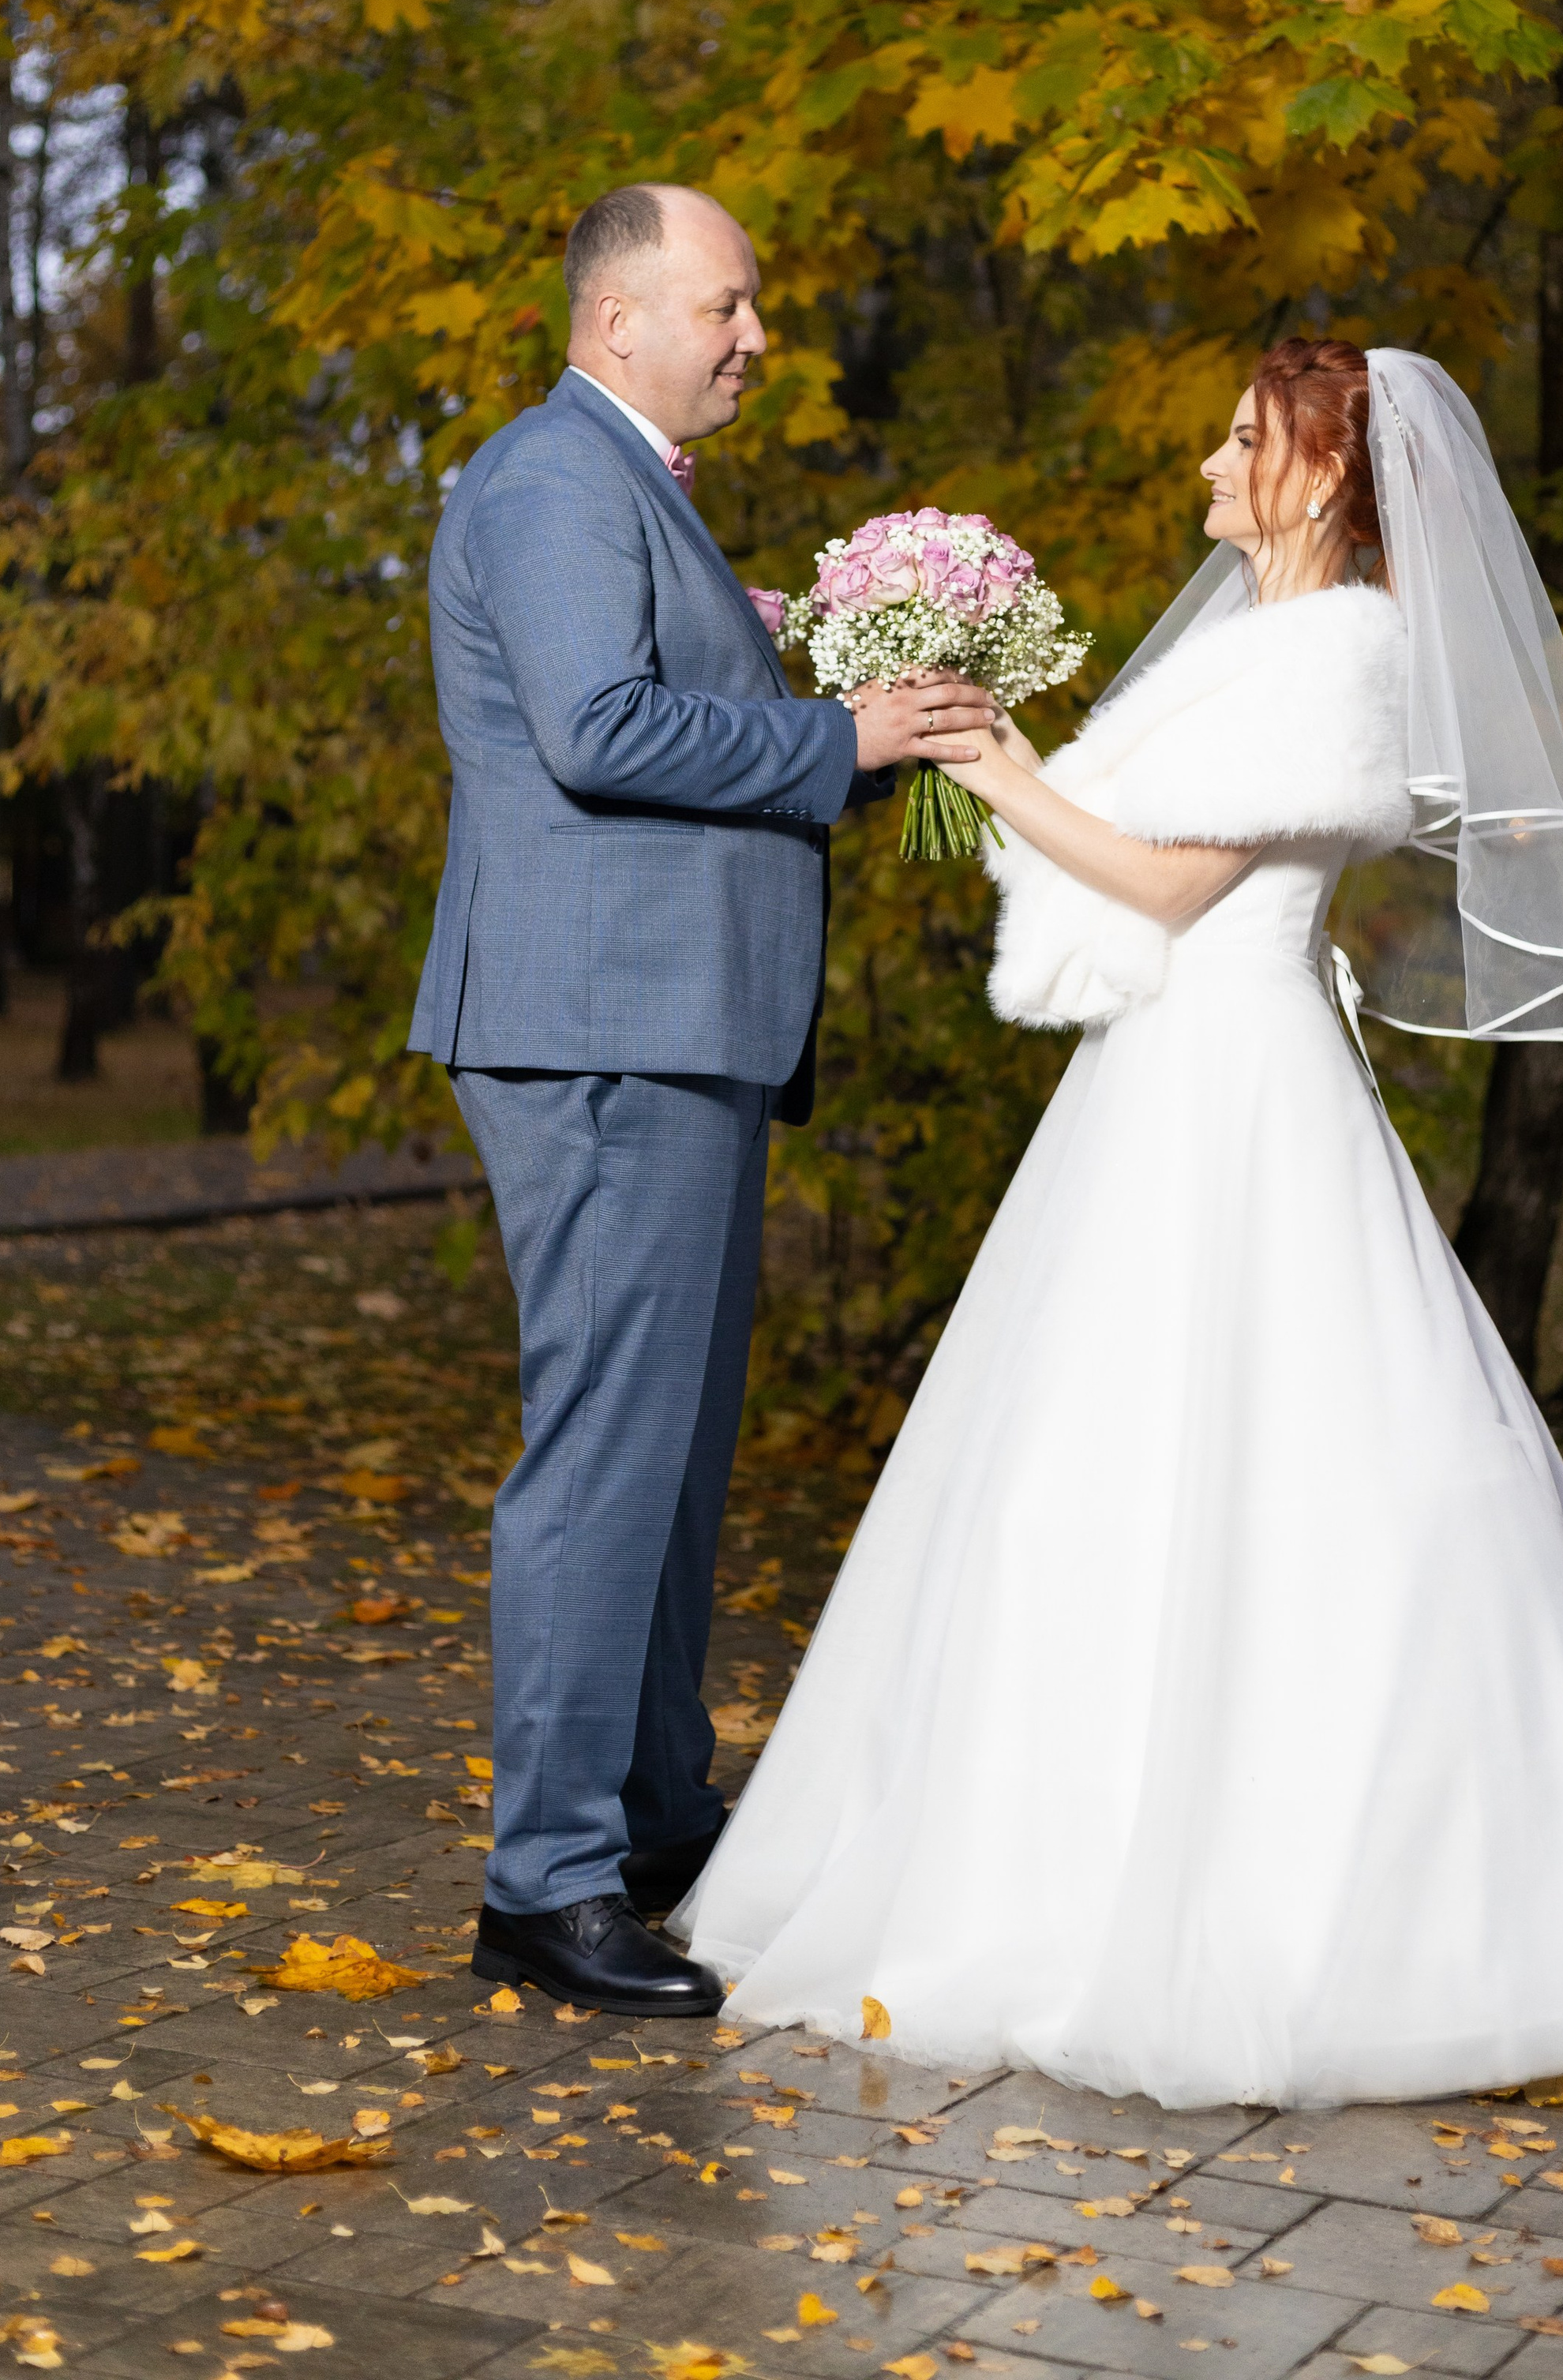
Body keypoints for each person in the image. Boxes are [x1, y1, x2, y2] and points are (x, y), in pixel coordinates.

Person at [675, 336, 1563, 2108]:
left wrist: (984, 756)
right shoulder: (1254, 642)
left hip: (1233, 1082)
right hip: (1165, 1075)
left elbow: (1172, 877)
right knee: (1085, 1464)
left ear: (1318, 477)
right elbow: (1134, 849)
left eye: (1239, 439)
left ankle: (1320, 1923)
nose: (1203, 461)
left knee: (1270, 1461)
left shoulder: (1343, 650)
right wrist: (992, 747)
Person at [408, 182, 994, 2016]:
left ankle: (651, 1814)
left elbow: (641, 697)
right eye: (725, 306)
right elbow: (597, 733)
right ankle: (547, 1882)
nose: (755, 337)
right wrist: (845, 740)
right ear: (616, 321)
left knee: (666, 1452)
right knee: (603, 1455)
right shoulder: (552, 479)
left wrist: (801, 685)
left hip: (673, 1032)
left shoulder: (626, 491)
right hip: (606, 1035)